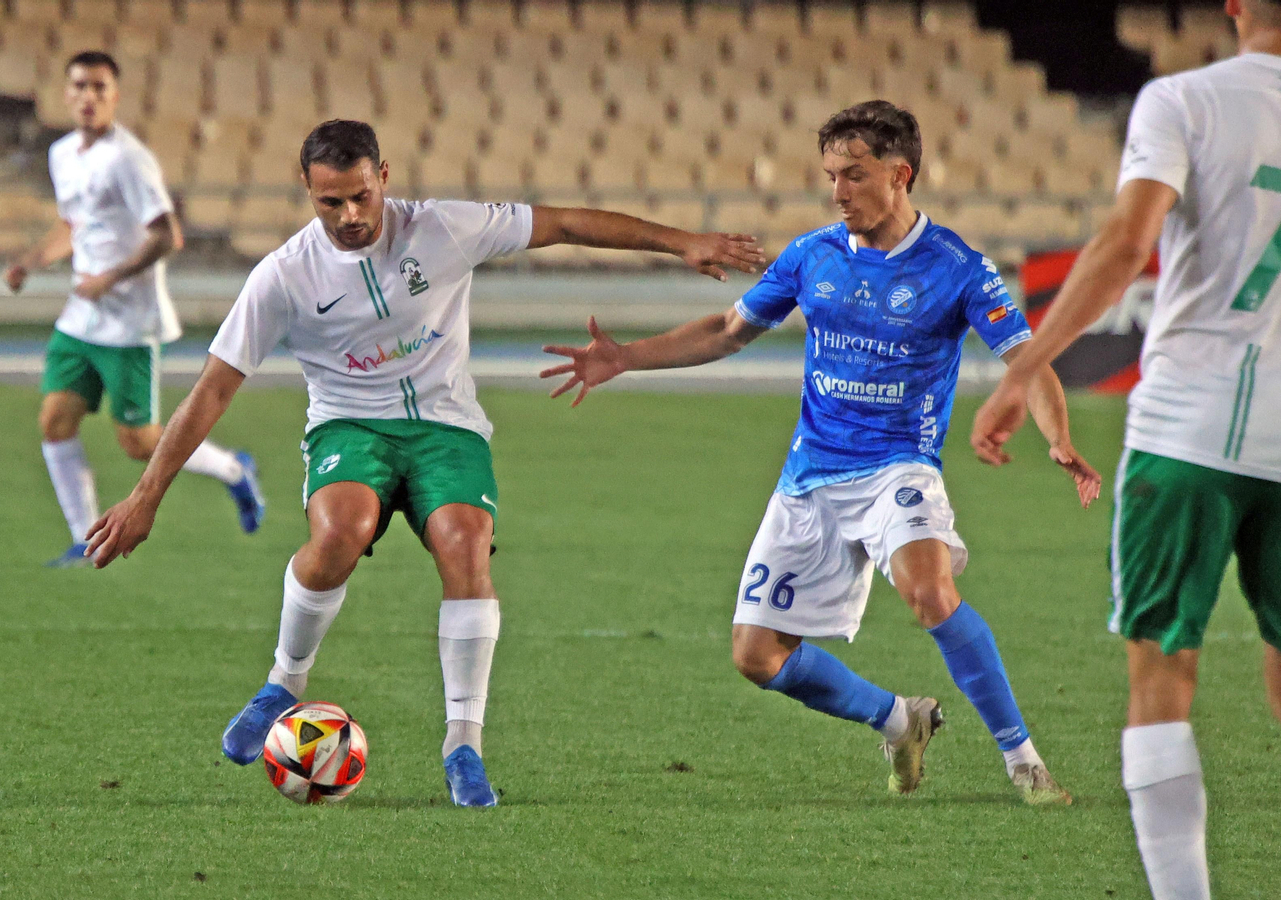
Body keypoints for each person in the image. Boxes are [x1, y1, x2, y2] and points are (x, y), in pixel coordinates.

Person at [85, 119, 765, 806]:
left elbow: (560, 222)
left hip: (447, 424)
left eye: (360, 196)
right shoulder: (283, 276)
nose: (350, 216)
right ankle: (283, 682)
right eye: (330, 203)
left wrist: (682, 242)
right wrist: (147, 497)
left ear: (383, 175)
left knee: (465, 543)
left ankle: (463, 745)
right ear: (306, 191)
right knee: (338, 532)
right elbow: (212, 390)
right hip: (351, 424)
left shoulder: (443, 227)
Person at [542, 101, 1102, 804]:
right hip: (810, 478)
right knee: (755, 654)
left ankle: (1024, 763)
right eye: (831, 175)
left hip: (899, 466)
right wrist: (626, 357)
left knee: (929, 591)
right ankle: (899, 720)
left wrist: (1058, 438)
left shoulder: (956, 267)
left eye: (854, 176)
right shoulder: (813, 255)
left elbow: (1029, 357)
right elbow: (726, 329)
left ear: (901, 175)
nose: (837, 193)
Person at [971, 2, 1281, 894]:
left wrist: (1024, 368)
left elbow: (1124, 246)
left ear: (1232, 5)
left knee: (1160, 670)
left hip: (1187, 426)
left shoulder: (1183, 100)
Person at [5, 50, 263, 567]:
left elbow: (168, 236)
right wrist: (32, 261)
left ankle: (234, 468)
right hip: (82, 317)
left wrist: (111, 276)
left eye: (100, 87)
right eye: (80, 86)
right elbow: (73, 224)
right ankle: (85, 537)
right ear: (67, 94)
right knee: (55, 419)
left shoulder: (129, 158)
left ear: (114, 96)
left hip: (127, 322)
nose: (89, 96)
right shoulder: (62, 154)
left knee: (140, 443)